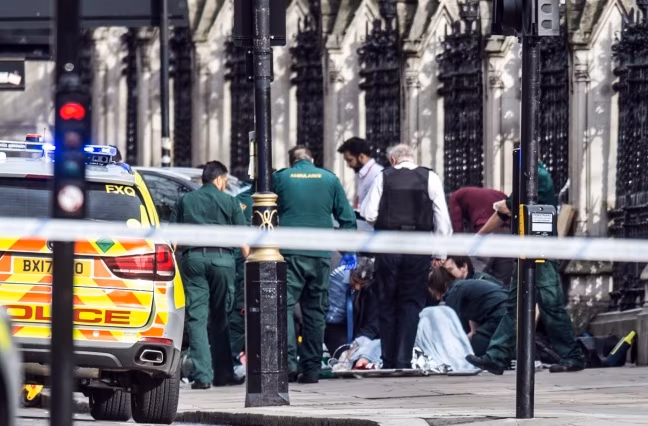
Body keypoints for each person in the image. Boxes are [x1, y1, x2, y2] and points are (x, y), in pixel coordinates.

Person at [466, 161, 585, 374]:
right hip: (526, 252)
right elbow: (505, 211)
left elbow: (507, 208)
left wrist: (501, 207)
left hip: (541, 253)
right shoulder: (528, 175)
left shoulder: (537, 176)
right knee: (515, 307)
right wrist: (480, 236)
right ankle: (496, 357)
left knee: (551, 306)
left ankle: (572, 356)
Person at [360, 143, 452, 369]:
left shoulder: (383, 176)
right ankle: (403, 360)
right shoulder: (430, 177)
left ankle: (388, 360)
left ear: (393, 160)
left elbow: (368, 213)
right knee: (411, 303)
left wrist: (385, 224)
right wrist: (439, 252)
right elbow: (442, 218)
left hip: (388, 246)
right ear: (413, 158)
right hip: (418, 246)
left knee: (387, 301)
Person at [274, 145, 357, 383]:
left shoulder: (281, 178)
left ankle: (288, 365)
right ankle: (310, 369)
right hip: (320, 254)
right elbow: (347, 218)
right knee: (315, 311)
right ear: (312, 159)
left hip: (289, 253)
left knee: (283, 307)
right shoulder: (329, 179)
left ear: (292, 161)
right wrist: (349, 251)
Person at [171, 161, 250, 389]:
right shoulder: (230, 201)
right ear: (220, 179)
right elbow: (244, 242)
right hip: (223, 261)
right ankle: (223, 374)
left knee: (197, 319)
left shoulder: (186, 200)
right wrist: (250, 265)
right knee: (221, 318)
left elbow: (173, 240)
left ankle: (202, 376)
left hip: (193, 260)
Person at [428, 267, 507, 357]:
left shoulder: (454, 293)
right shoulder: (464, 289)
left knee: (477, 346)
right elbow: (472, 331)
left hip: (499, 309)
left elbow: (454, 330)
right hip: (504, 306)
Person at [448, 186, 514, 284]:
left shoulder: (455, 197)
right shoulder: (499, 194)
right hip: (507, 234)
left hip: (486, 231)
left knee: (474, 275)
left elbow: (457, 227)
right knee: (503, 283)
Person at [324, 257, 379, 357]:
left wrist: (359, 343)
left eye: (362, 284)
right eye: (355, 281)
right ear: (350, 272)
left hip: (358, 329)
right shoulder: (337, 276)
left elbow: (373, 320)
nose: (358, 287)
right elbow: (331, 319)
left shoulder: (372, 287)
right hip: (334, 325)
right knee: (343, 356)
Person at [228, 179, 255, 378]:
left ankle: (233, 361)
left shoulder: (238, 200)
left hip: (241, 265)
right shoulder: (281, 201)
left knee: (241, 312)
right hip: (249, 264)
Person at [337, 137, 384, 231]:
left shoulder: (377, 173)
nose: (348, 165)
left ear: (361, 157)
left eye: (350, 160)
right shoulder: (363, 174)